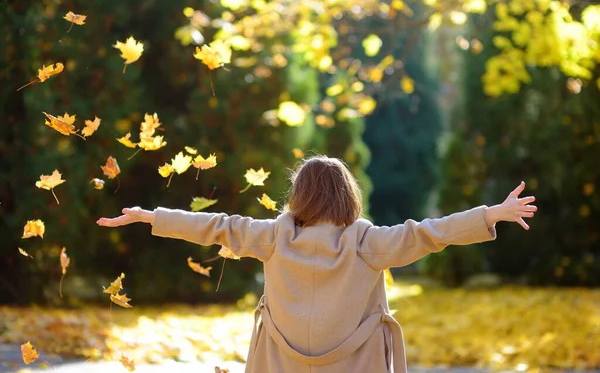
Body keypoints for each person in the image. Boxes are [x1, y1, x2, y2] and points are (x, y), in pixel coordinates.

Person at [97, 155, 537, 373]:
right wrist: (489, 214)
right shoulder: (367, 242)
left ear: (299, 196)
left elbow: (216, 226)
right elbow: (429, 233)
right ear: (348, 195)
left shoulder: (273, 236)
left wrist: (151, 216)